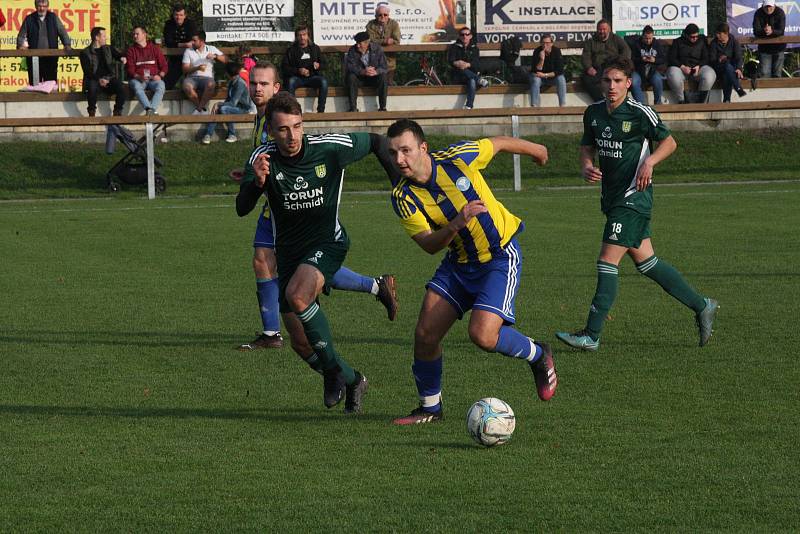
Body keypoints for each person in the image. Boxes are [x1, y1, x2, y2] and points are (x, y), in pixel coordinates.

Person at [385, 119, 557, 425]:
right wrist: (455, 224)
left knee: (482, 335)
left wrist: (537, 150)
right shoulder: (403, 197)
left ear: (423, 148)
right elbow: (427, 244)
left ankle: (537, 353)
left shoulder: (457, 158)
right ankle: (430, 408)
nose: (400, 159)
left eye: (406, 150)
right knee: (425, 335)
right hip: (458, 264)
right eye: (393, 152)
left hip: (499, 257)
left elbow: (499, 143)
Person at [236, 92, 398, 414]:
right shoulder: (262, 157)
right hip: (290, 254)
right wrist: (256, 182)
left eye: (297, 127)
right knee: (300, 342)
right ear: (270, 130)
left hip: (328, 243)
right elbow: (242, 208)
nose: (292, 135)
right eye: (283, 129)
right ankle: (352, 379)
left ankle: (333, 373)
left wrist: (398, 186)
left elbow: (379, 141)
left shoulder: (329, 147)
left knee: (298, 296)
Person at [555, 58, 718, 352]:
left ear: (628, 83)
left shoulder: (640, 112)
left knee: (607, 261)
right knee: (647, 263)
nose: (612, 86)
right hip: (612, 198)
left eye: (618, 81)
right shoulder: (593, 113)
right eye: (607, 80)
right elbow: (586, 146)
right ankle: (702, 305)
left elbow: (669, 143)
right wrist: (586, 165)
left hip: (633, 197)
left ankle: (591, 335)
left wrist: (650, 163)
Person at [16, 0, 72, 86]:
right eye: (39, 6)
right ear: (35, 6)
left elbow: (62, 31)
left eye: (44, 6)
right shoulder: (29, 18)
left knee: (50, 85)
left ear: (47, 6)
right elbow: (21, 35)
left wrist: (67, 44)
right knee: (35, 85)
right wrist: (20, 45)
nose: (42, 8)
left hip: (51, 57)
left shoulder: (53, 17)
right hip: (34, 58)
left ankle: (51, 99)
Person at [201, 60, 252, 144]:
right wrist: (218, 106)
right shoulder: (232, 82)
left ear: (228, 73)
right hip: (234, 107)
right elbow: (229, 100)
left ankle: (232, 134)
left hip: (243, 109)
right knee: (219, 109)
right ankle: (208, 134)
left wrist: (218, 104)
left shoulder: (240, 83)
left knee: (224, 108)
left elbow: (233, 103)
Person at [79, 27, 126, 117]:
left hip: (109, 78)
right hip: (94, 79)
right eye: (104, 36)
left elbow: (118, 55)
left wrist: (122, 58)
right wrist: (99, 79)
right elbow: (87, 71)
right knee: (92, 86)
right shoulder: (85, 53)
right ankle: (91, 112)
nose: (106, 38)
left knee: (120, 86)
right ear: (97, 38)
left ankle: (117, 111)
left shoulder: (108, 48)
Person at [281, 25, 328, 113]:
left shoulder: (315, 48)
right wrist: (298, 71)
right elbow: (285, 67)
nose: (302, 37)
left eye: (304, 34)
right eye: (300, 35)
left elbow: (324, 64)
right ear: (297, 37)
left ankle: (321, 110)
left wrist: (318, 66)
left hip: (312, 77)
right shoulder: (291, 50)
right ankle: (293, 110)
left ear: (308, 35)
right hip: (297, 78)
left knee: (323, 82)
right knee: (290, 82)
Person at [581, 19, 630, 102]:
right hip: (597, 69)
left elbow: (626, 50)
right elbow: (586, 56)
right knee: (586, 79)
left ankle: (621, 101)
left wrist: (620, 64)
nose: (602, 31)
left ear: (609, 30)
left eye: (604, 29)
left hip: (613, 68)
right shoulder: (591, 41)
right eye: (600, 29)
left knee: (622, 79)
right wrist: (589, 67)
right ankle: (601, 101)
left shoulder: (616, 39)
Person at [666, 23, 716, 104]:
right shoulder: (678, 42)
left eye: (696, 36)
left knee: (710, 75)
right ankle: (681, 100)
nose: (695, 38)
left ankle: (701, 101)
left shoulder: (702, 40)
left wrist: (699, 66)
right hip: (682, 69)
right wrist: (682, 67)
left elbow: (706, 58)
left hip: (698, 68)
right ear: (686, 35)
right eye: (692, 37)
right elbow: (672, 58)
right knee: (672, 74)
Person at [125, 26, 168, 115]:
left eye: (137, 34)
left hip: (153, 80)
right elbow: (130, 70)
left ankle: (150, 110)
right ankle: (150, 110)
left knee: (161, 85)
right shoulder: (131, 50)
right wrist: (139, 77)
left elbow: (164, 66)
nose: (135, 36)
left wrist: (160, 76)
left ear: (144, 35)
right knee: (136, 86)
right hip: (138, 80)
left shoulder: (154, 48)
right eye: (134, 34)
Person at [182, 30, 226, 114]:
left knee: (211, 84)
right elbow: (184, 69)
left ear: (202, 41)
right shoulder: (188, 51)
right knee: (186, 86)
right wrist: (196, 68)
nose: (192, 42)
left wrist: (215, 56)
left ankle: (198, 110)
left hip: (207, 78)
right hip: (192, 78)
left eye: (194, 40)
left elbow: (226, 59)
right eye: (192, 40)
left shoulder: (211, 49)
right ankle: (201, 109)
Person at [344, 31, 389, 112]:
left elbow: (384, 67)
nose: (357, 45)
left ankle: (383, 108)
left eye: (359, 43)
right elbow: (350, 67)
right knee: (351, 77)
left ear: (367, 43)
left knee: (383, 76)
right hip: (360, 78)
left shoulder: (377, 49)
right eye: (356, 43)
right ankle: (353, 108)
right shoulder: (352, 50)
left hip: (374, 78)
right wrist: (362, 71)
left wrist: (376, 71)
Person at [447, 27, 488, 110]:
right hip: (458, 76)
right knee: (461, 68)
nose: (464, 36)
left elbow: (477, 64)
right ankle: (479, 79)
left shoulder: (474, 48)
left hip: (470, 75)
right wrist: (457, 63)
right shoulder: (454, 47)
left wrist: (468, 64)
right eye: (462, 35)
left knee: (472, 80)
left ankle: (469, 106)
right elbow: (450, 60)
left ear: (470, 36)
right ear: (459, 36)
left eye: (467, 34)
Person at [628, 25, 667, 106]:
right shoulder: (636, 44)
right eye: (646, 38)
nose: (648, 40)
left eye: (650, 38)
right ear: (642, 36)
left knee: (658, 80)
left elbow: (663, 59)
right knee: (634, 82)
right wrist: (641, 59)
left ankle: (657, 103)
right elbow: (632, 59)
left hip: (652, 71)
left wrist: (654, 60)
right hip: (638, 71)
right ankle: (641, 105)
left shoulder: (657, 44)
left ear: (653, 36)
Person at [162, 3, 197, 90]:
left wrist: (177, 44)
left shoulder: (190, 24)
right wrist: (184, 44)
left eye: (181, 15)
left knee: (193, 85)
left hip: (190, 58)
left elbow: (193, 41)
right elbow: (168, 42)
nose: (178, 17)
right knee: (166, 84)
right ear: (173, 15)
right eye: (176, 15)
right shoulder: (169, 24)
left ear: (185, 16)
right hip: (175, 58)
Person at [709, 23, 747, 102]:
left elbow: (738, 57)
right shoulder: (714, 43)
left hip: (730, 68)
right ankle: (738, 88)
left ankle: (726, 100)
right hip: (718, 68)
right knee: (727, 67)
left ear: (726, 33)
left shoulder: (734, 41)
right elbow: (712, 59)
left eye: (719, 33)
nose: (717, 35)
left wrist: (739, 69)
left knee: (727, 72)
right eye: (717, 33)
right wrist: (719, 59)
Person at [366, 5, 401, 85]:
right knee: (373, 86)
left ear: (388, 15)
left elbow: (396, 41)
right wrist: (385, 41)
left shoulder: (394, 24)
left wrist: (378, 42)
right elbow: (370, 40)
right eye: (380, 15)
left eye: (385, 15)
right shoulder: (370, 24)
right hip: (374, 62)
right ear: (376, 16)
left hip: (389, 62)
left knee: (388, 84)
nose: (383, 16)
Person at [528, 35, 566, 107]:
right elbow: (535, 71)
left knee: (561, 78)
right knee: (536, 80)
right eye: (543, 43)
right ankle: (534, 105)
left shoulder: (556, 51)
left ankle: (562, 105)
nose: (545, 45)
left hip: (551, 78)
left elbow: (560, 70)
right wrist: (542, 59)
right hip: (539, 78)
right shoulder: (537, 51)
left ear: (552, 43)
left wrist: (545, 75)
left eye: (547, 43)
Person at [752, 0, 786, 78]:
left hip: (779, 49)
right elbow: (756, 31)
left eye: (770, 6)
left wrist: (772, 31)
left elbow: (781, 30)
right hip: (764, 50)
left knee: (777, 75)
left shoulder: (780, 12)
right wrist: (765, 31)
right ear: (763, 6)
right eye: (766, 6)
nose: (768, 8)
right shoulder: (758, 13)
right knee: (765, 74)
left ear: (774, 5)